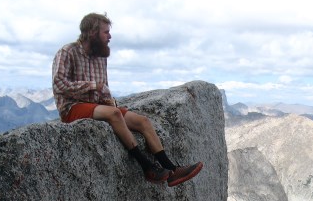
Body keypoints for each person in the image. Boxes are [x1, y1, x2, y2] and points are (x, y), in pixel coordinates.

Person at [52, 12, 202, 186]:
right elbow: (59, 85)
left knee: (143, 121)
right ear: (92, 33)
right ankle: (147, 167)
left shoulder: (100, 56)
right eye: (106, 32)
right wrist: (93, 86)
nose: (110, 36)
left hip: (98, 106)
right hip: (72, 107)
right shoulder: (67, 52)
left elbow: (104, 87)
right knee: (115, 114)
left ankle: (173, 170)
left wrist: (108, 99)